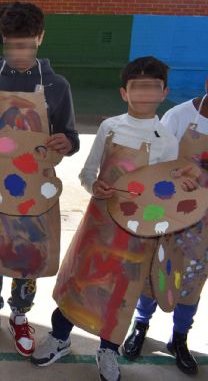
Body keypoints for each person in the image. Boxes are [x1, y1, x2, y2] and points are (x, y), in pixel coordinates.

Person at [32, 57, 196, 381]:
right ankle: (59, 337)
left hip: (138, 234)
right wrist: (94, 186)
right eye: (138, 87)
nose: (144, 94)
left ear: (164, 93)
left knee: (122, 292)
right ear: (124, 92)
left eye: (153, 87)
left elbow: (163, 191)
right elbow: (87, 172)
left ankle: (108, 350)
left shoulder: (166, 140)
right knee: (79, 280)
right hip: (99, 224)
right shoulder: (110, 127)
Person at [0, 2, 79, 357]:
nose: (19, 54)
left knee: (28, 252)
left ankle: (20, 316)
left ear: (40, 38)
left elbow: (71, 136)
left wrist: (67, 142)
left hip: (34, 184)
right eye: (12, 45)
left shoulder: (57, 86)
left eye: (26, 45)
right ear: (3, 40)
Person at [121, 78, 208, 376]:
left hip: (204, 222)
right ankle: (140, 326)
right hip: (169, 210)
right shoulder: (180, 116)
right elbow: (155, 160)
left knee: (193, 277)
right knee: (154, 270)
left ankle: (179, 338)